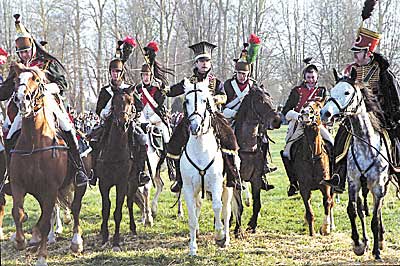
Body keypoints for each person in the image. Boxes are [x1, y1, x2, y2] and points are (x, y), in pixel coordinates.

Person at [0, 14, 88, 186]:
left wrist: (45, 89)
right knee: (10, 136)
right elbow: (4, 92)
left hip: (49, 103)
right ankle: (9, 174)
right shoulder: (17, 68)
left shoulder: (47, 63)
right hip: (26, 110)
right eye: (21, 52)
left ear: (32, 47)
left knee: (67, 127)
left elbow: (63, 84)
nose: (24, 55)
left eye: (26, 51)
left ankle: (78, 170)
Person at [321, 26, 400, 193]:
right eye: (354, 52)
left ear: (368, 53)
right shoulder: (350, 71)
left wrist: (392, 117)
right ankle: (339, 176)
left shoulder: (384, 73)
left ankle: (396, 171)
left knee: (397, 141)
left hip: (383, 118)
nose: (354, 55)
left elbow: (395, 99)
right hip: (355, 117)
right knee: (341, 138)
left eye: (358, 52)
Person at [166, 41, 241, 193]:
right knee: (174, 143)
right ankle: (180, 179)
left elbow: (224, 96)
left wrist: (216, 99)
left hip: (212, 117)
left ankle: (233, 177)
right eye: (201, 61)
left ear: (210, 63)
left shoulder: (215, 82)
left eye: (207, 61)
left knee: (230, 140)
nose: (204, 64)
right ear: (196, 63)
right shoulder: (189, 81)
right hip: (191, 118)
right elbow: (172, 91)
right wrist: (163, 87)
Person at [93, 39, 150, 187]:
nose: (115, 74)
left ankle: (140, 172)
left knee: (143, 140)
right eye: (113, 71)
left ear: (121, 73)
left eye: (117, 71)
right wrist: (107, 112)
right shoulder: (105, 91)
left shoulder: (129, 89)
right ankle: (93, 172)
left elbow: (139, 107)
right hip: (108, 123)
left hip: (126, 122)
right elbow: (98, 110)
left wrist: (131, 115)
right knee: (92, 140)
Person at [222, 39, 275, 191]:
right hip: (231, 118)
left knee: (263, 140)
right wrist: (233, 113)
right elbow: (223, 105)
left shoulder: (253, 85)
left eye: (245, 74)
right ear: (236, 73)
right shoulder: (228, 85)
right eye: (239, 73)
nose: (242, 76)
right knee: (225, 140)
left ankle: (263, 169)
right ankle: (227, 172)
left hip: (250, 121)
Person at [281, 60, 333, 196]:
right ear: (304, 77)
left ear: (317, 77)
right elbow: (286, 110)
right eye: (308, 77)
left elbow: (328, 109)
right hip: (300, 124)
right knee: (286, 151)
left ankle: (334, 178)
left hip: (317, 124)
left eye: (313, 77)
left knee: (332, 144)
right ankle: (293, 182)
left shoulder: (322, 91)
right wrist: (298, 116)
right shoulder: (296, 91)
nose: (311, 80)